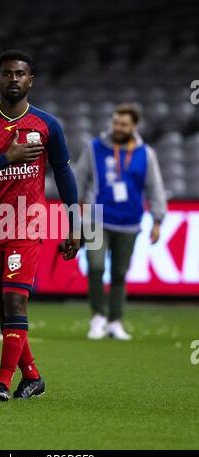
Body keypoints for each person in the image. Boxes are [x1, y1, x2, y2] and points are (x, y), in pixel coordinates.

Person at [0, 49, 80, 401]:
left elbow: (64, 171)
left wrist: (75, 223)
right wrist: (3, 158)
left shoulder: (47, 124)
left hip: (26, 224)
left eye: (20, 73)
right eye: (7, 73)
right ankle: (33, 376)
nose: (14, 79)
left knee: (13, 301)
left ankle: (1, 383)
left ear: (31, 80)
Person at [75, 103, 167, 340]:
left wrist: (157, 220)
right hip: (97, 218)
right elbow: (78, 180)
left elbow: (154, 187)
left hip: (129, 223)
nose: (118, 127)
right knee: (95, 267)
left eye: (124, 124)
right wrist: (74, 214)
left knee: (119, 273)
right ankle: (97, 317)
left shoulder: (145, 153)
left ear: (133, 127)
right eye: (116, 122)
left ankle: (115, 321)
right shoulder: (94, 148)